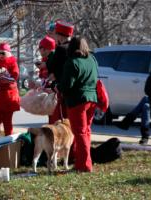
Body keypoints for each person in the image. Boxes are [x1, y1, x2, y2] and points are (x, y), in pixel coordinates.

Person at [57, 37, 98, 172]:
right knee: (86, 132)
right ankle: (84, 162)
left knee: (79, 133)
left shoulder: (72, 62)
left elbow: (67, 85)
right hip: (92, 99)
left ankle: (84, 166)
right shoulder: (92, 60)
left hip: (77, 101)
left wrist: (57, 87)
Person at [46, 20, 75, 123]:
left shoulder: (61, 49)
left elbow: (53, 68)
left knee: (62, 120)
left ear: (60, 35)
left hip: (63, 88)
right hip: (76, 91)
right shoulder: (76, 47)